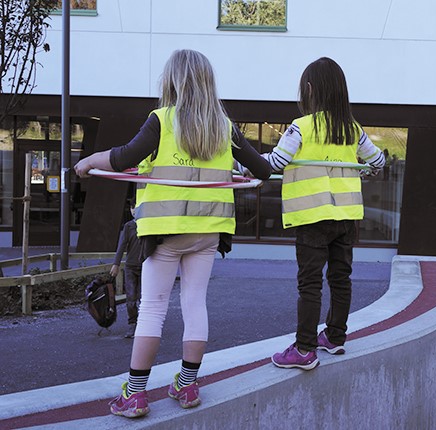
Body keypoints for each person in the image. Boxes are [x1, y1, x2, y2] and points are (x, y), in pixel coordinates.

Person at [74, 49, 272, 418]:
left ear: (172, 81)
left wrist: (87, 161)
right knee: (195, 302)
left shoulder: (162, 120)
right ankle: (187, 384)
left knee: (153, 307)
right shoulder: (223, 126)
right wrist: (241, 171)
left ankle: (135, 394)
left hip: (165, 232)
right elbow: (262, 169)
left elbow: (122, 158)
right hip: (208, 231)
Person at [264, 57, 385, 371]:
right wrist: (367, 169)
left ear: (309, 89)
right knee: (341, 278)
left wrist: (238, 164)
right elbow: (378, 161)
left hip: (312, 217)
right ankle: (335, 336)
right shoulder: (352, 129)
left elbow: (274, 163)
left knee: (310, 283)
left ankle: (304, 349)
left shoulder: (300, 127)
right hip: (346, 217)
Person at [111, 202, 142, 339]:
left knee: (143, 298)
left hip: (145, 266)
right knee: (130, 298)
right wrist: (116, 264)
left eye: (137, 208)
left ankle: (143, 325)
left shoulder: (147, 224)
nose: (134, 211)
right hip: (130, 266)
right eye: (132, 208)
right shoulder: (128, 226)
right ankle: (132, 323)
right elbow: (122, 245)